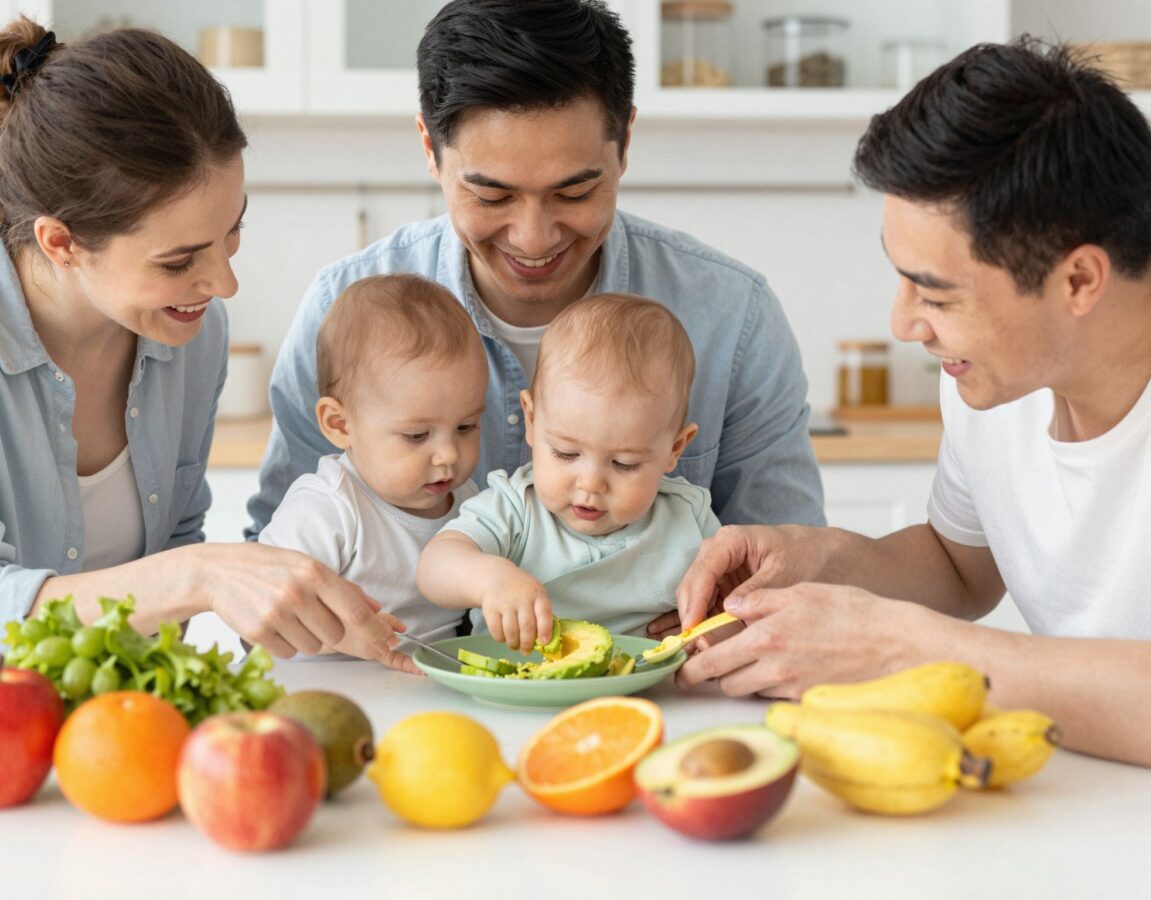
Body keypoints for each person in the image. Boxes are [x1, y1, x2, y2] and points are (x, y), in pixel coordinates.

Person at [669, 38, 1151, 775]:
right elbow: (959, 567)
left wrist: (899, 647)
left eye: (938, 294)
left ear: (1079, 280)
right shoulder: (995, 378)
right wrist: (819, 560)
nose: (904, 324)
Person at [248, 0, 824, 543]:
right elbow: (272, 572)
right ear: (430, 147)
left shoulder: (731, 316)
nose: (533, 238)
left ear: (624, 143)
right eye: (492, 197)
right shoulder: (342, 307)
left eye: (575, 191)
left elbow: (788, 567)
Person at [0, 18, 397, 663]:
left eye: (231, 231)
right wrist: (201, 578)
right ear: (61, 242)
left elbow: (177, 536)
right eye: (179, 260)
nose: (225, 283)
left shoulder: (193, 336)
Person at [416, 294, 718, 652]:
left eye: (624, 463)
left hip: (647, 694)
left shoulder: (689, 517)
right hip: (515, 689)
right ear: (530, 419)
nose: (590, 483)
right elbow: (434, 568)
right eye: (566, 453)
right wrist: (490, 578)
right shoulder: (514, 507)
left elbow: (736, 606)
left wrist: (713, 626)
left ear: (675, 448)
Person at [258, 274, 487, 666]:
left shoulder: (470, 501)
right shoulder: (327, 507)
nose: (448, 454)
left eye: (465, 427)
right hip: (323, 687)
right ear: (340, 425)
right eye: (417, 435)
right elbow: (269, 604)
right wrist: (356, 638)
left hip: (423, 686)